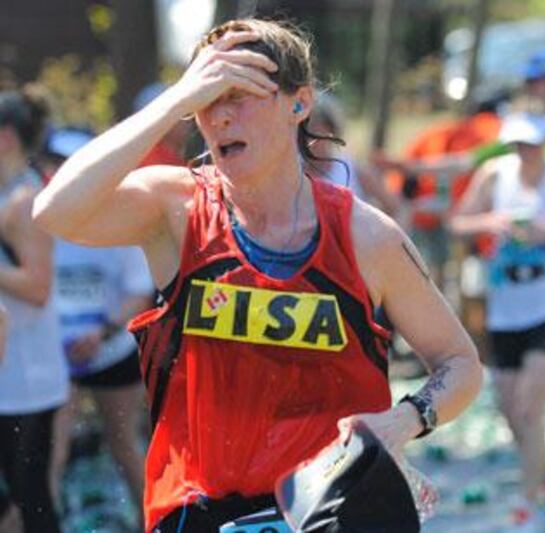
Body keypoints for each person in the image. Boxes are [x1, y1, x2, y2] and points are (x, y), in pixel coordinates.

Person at [33, 18, 482, 532]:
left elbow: (461, 363)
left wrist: (406, 419)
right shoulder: (175, 210)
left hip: (329, 508)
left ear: (300, 103)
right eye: (207, 99)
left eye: (239, 95)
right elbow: (54, 211)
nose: (219, 117)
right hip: (198, 510)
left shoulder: (365, 236)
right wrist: (172, 103)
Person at [451, 112, 545, 531]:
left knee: (529, 406)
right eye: (518, 144)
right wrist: (492, 223)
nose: (525, 152)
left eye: (532, 144)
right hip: (507, 305)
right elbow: (458, 223)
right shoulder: (494, 174)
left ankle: (526, 507)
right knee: (513, 413)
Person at [38, 127, 154, 525]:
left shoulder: (118, 221)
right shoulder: (35, 215)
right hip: (56, 353)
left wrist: (102, 332)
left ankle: (152, 522)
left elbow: (140, 291)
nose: (56, 176)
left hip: (111, 348)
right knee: (52, 449)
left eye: (67, 168)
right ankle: (45, 522)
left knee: (124, 445)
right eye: (51, 166)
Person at [0, 87, 69, 532]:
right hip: (12, 376)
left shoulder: (25, 199)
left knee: (32, 498)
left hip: (26, 379)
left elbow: (38, 287)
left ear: (6, 136)